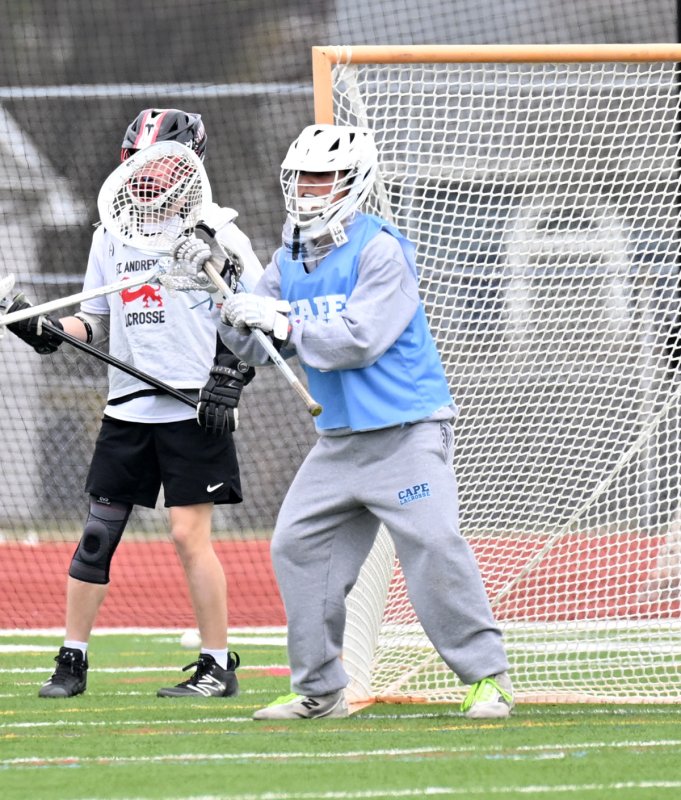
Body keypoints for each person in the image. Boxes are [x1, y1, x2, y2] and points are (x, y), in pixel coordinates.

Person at [172, 123, 514, 720]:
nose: (309, 188)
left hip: (405, 432)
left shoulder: (382, 249)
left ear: (354, 183)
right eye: (302, 176)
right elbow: (256, 347)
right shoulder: (287, 259)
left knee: (433, 543)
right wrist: (225, 296)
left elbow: (361, 339)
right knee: (297, 546)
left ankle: (488, 678)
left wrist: (281, 321)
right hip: (338, 444)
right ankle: (320, 689)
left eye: (323, 176)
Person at [7, 108, 262, 699]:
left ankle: (217, 665)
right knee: (97, 533)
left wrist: (230, 376)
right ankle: (72, 662)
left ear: (188, 164)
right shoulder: (109, 234)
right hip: (127, 408)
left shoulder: (220, 235)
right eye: (138, 165)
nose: (146, 177)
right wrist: (49, 331)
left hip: (194, 407)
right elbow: (96, 321)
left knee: (186, 535)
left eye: (161, 165)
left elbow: (256, 319)